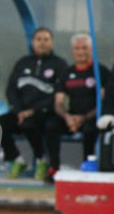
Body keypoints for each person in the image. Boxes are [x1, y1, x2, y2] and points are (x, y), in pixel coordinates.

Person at [0, 27, 67, 181]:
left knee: (31, 123)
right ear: (33, 42)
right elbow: (11, 90)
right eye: (39, 39)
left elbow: (57, 95)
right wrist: (18, 110)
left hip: (45, 113)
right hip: (21, 112)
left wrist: (33, 110)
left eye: (46, 39)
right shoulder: (23, 63)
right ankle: (18, 160)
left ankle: (41, 161)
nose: (42, 43)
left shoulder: (59, 64)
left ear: (52, 43)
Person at [47, 33, 111, 176]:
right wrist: (68, 117)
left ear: (91, 50)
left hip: (92, 117)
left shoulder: (101, 72)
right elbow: (58, 102)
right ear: (72, 50)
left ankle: (86, 168)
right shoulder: (67, 72)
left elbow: (103, 101)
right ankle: (54, 167)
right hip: (72, 118)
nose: (81, 52)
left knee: (90, 130)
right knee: (51, 125)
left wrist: (84, 117)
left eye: (84, 48)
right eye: (77, 48)